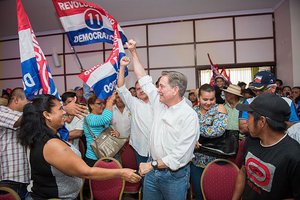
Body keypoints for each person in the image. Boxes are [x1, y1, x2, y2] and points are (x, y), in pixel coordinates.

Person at [18, 94, 141, 199]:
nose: (64, 111)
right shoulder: (51, 144)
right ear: (47, 115)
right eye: (61, 108)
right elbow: (86, 172)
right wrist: (121, 173)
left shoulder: (44, 137)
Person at [126, 39, 199, 200]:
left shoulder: (188, 116)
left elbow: (178, 156)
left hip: (174, 176)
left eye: (162, 86)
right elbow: (143, 77)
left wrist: (151, 165)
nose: (157, 89)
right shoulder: (159, 102)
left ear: (175, 90)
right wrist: (133, 52)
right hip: (153, 172)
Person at [232, 93, 300, 200]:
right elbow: (243, 171)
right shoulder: (251, 141)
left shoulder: (294, 156)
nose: (246, 122)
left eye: (249, 117)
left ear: (262, 121)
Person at [190, 84, 228, 200]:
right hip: (196, 160)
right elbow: (182, 130)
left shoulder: (220, 108)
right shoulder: (192, 110)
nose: (208, 102)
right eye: (205, 99)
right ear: (198, 98)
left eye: (212, 99)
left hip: (216, 160)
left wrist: (193, 134)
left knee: (216, 193)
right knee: (199, 193)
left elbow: (217, 131)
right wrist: (192, 138)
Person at [117, 57, 153, 169]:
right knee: (144, 177)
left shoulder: (159, 101)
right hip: (140, 148)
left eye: (143, 88)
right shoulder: (134, 103)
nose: (141, 90)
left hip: (158, 148)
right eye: (137, 89)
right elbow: (121, 87)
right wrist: (122, 67)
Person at [0, 87, 30, 199]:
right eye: (28, 101)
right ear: (16, 99)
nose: (30, 105)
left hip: (26, 179)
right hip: (9, 178)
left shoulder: (26, 117)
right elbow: (18, 121)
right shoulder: (2, 111)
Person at [83, 94, 114, 167]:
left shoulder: (100, 117)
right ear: (91, 105)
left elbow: (107, 129)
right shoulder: (89, 118)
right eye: (99, 103)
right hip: (93, 158)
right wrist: (110, 100)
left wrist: (115, 133)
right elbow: (106, 118)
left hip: (106, 154)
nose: (102, 106)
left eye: (103, 103)